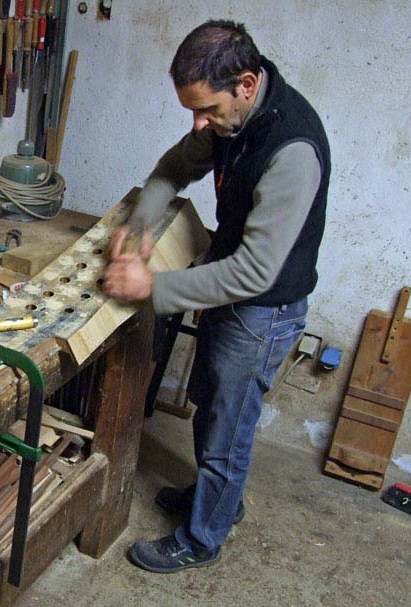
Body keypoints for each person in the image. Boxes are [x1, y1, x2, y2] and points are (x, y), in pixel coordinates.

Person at [103, 20, 330, 573]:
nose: (199, 124)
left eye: (205, 109)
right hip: (231, 293)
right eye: (191, 111)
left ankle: (203, 538)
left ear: (246, 84)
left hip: (263, 308)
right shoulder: (232, 119)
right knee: (210, 406)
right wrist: (137, 231)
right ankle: (217, 502)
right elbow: (172, 169)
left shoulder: (291, 150)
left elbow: (254, 272)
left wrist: (151, 285)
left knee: (230, 428)